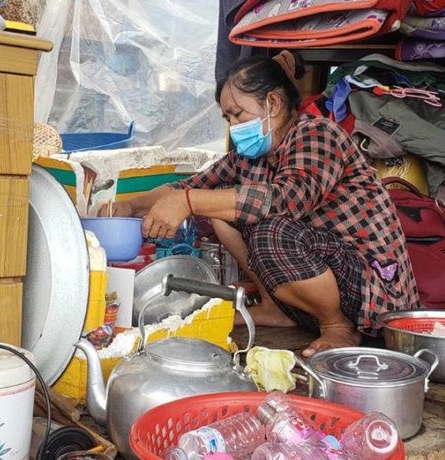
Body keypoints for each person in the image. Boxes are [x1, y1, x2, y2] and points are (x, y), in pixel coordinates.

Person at [104, 54, 419, 356]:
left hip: (370, 293)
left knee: (271, 230)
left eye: (238, 115)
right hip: (323, 277)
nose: (233, 126)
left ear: (274, 103)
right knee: (222, 207)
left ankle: (337, 325)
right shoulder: (251, 157)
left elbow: (289, 198)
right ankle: (274, 307)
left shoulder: (317, 134)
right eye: (228, 118)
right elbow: (190, 187)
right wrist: (131, 206)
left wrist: (188, 202)